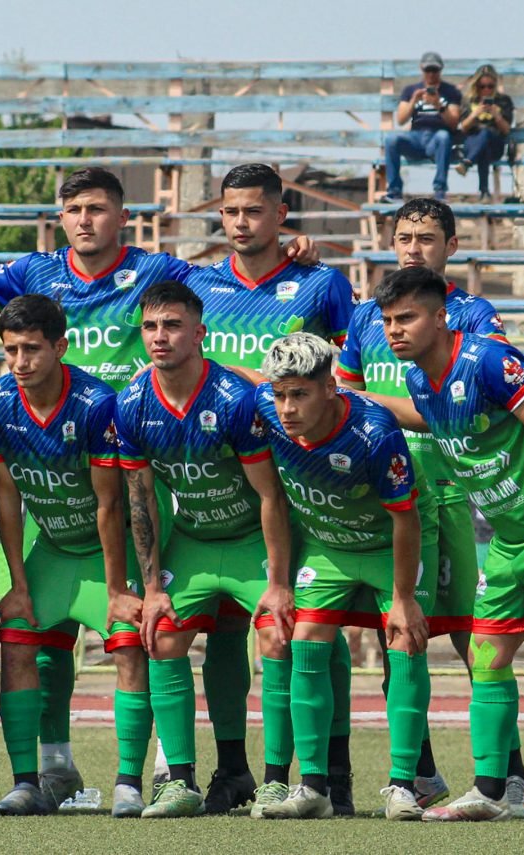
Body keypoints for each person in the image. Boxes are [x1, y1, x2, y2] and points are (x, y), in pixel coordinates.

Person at [0, 166, 319, 805]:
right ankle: (48, 771)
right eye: (73, 209)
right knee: (41, 640)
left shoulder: (152, 273)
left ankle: (233, 773)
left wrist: (289, 251)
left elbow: (213, 289)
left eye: (96, 208)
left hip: (138, 464)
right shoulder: (32, 278)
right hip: (53, 498)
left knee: (209, 631)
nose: (84, 219)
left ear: (122, 215)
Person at [372, 266, 524, 825]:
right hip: (507, 539)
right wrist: (363, 398)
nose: (394, 331)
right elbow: (430, 421)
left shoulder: (485, 359)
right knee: (487, 657)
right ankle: (491, 790)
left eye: (406, 318)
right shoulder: (417, 380)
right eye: (387, 321)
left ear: (439, 318)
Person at [336, 197, 524, 815]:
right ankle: (419, 772)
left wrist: (378, 407)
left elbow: (473, 399)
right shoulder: (369, 317)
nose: (414, 247)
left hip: (453, 487)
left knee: (475, 636)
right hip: (385, 491)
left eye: (427, 237)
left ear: (452, 245)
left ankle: (511, 776)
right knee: (403, 629)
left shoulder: (472, 315)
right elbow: (344, 393)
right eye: (404, 236)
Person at [180, 162, 358, 816]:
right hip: (220, 485)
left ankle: (328, 769)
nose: (241, 223)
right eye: (230, 211)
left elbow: (346, 374)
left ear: (282, 215)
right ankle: (233, 769)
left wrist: (246, 374)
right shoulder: (195, 283)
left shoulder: (321, 285)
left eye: (254, 210)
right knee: (225, 629)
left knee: (313, 627)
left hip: (299, 480)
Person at [116, 281, 295, 818]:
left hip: (248, 543)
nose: (159, 337)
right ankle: (179, 781)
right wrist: (151, 589)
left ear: (199, 333)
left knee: (278, 640)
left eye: (172, 326)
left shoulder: (236, 399)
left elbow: (271, 495)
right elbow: (141, 500)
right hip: (192, 541)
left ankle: (277, 780)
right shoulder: (131, 401)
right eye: (150, 327)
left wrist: (279, 582)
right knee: (163, 638)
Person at [0, 295, 151, 818]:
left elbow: (109, 502)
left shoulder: (97, 403)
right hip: (50, 550)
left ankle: (129, 782)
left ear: (61, 346)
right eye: (11, 351)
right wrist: (18, 583)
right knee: (18, 641)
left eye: (32, 349)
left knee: (129, 647)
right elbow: (7, 501)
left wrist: (119, 589)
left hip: (104, 554)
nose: (21, 362)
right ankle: (33, 780)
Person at [255, 332, 435, 821]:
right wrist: (278, 582)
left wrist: (403, 597)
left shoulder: (376, 433)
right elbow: (271, 495)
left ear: (330, 388)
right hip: (328, 545)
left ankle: (404, 786)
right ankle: (314, 788)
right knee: (305, 637)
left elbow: (406, 519)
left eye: (300, 394)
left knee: (404, 641)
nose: (286, 407)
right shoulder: (267, 411)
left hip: (388, 543)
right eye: (279, 394)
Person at [380, 51, 462, 203]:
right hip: (416, 137)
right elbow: (401, 119)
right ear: (422, 69)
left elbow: (453, 123)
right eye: (427, 70)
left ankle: (440, 191)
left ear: (440, 70)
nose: (431, 74)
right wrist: (413, 100)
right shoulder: (410, 90)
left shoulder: (451, 92)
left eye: (434, 70)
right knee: (391, 139)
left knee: (444, 136)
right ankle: (394, 192)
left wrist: (438, 104)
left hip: (437, 138)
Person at [456, 65, 514, 203]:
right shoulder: (468, 101)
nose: (486, 90)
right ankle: (484, 193)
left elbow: (506, 130)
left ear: (495, 85)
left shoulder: (503, 101)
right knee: (483, 145)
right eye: (482, 86)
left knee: (486, 134)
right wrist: (475, 114)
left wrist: (496, 115)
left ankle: (467, 164)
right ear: (476, 86)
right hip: (473, 143)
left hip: (496, 144)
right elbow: (463, 127)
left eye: (490, 86)